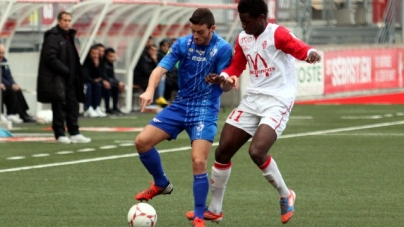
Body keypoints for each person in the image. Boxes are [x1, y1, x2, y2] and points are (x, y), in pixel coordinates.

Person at [185, 0, 321, 224]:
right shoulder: (243, 38)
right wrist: (223, 76)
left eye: (247, 21)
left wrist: (311, 53)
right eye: (241, 21)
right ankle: (216, 209)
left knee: (257, 151)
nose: (243, 25)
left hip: (277, 100)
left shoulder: (277, 33)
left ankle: (286, 195)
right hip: (253, 99)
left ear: (261, 18)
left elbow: (299, 48)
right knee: (223, 151)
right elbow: (236, 67)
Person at [133, 8, 233, 227]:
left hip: (205, 109)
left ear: (212, 29)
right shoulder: (183, 43)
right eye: (193, 31)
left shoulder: (223, 49)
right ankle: (161, 183)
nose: (195, 36)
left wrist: (225, 82)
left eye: (200, 32)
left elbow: (225, 85)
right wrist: (150, 90)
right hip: (180, 105)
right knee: (142, 142)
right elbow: (161, 68)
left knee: (198, 161)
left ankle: (198, 216)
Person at [37, 11, 91, 144]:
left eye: (69, 20)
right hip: (58, 79)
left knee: (73, 105)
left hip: (71, 79)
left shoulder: (68, 36)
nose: (67, 23)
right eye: (65, 20)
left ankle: (74, 132)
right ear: (59, 21)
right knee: (59, 106)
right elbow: (50, 57)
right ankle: (60, 133)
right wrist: (65, 70)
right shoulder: (53, 36)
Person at [0, 44, 36, 123]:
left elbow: (8, 75)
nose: (1, 55)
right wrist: (9, 85)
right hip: (2, 86)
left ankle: (23, 114)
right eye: (0, 53)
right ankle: (4, 113)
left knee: (17, 90)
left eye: (3, 53)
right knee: (8, 90)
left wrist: (13, 84)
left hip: (5, 84)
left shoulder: (4, 61)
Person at [82, 45, 108, 118]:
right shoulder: (85, 61)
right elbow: (85, 75)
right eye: (93, 53)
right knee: (89, 86)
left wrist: (97, 66)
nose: (95, 55)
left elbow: (101, 75)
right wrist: (93, 80)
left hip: (93, 82)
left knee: (99, 85)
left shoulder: (100, 61)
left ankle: (96, 107)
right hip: (86, 81)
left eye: (96, 54)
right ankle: (88, 108)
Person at [103, 47, 125, 115]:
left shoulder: (110, 64)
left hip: (109, 82)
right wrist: (117, 82)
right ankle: (107, 108)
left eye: (113, 56)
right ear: (106, 56)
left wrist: (118, 83)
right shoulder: (103, 63)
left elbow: (112, 76)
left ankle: (115, 107)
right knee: (108, 87)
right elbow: (104, 76)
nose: (112, 58)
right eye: (110, 56)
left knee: (116, 87)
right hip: (103, 82)